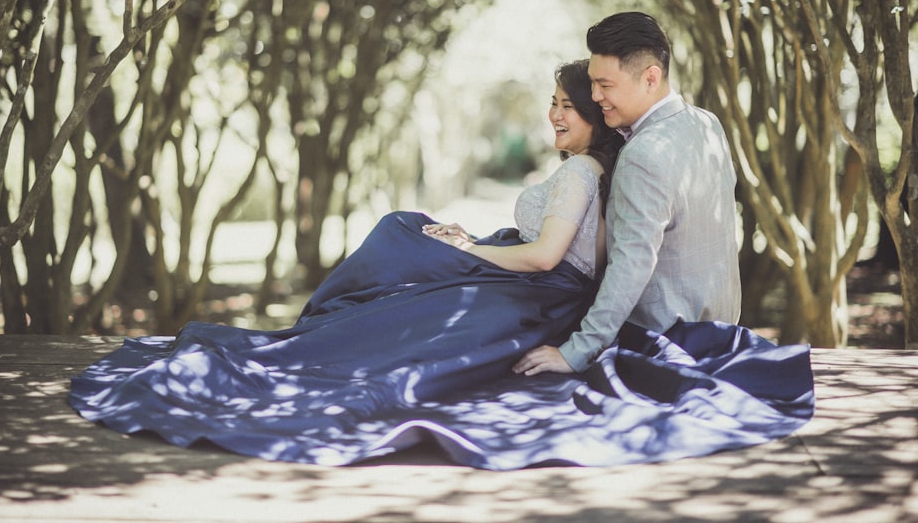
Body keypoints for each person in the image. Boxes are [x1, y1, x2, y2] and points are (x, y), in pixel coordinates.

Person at [69, 56, 812, 471]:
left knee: (401, 239)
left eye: (571, 105)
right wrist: (473, 241)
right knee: (411, 240)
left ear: (601, 111)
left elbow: (555, 254)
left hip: (537, 293)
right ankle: (325, 336)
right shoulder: (606, 163)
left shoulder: (588, 172)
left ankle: (314, 343)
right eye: (554, 102)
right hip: (537, 283)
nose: (556, 116)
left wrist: (472, 251)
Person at [514, 11, 742, 376]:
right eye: (592, 84)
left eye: (605, 85)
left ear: (651, 78)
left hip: (664, 341)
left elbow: (631, 265)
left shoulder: (643, 154)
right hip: (722, 332)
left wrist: (576, 352)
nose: (594, 96)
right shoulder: (706, 123)